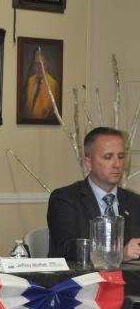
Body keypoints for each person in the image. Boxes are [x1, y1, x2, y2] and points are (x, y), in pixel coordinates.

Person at [48, 127, 140, 261]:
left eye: (121, 156)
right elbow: (66, 248)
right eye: (108, 157)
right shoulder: (64, 199)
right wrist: (117, 253)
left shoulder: (135, 202)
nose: (117, 164)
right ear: (88, 163)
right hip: (81, 274)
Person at [22, 50, 59, 120]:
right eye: (37, 64)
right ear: (33, 65)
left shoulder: (54, 85)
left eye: (42, 64)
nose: (39, 67)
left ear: (46, 65)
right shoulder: (30, 81)